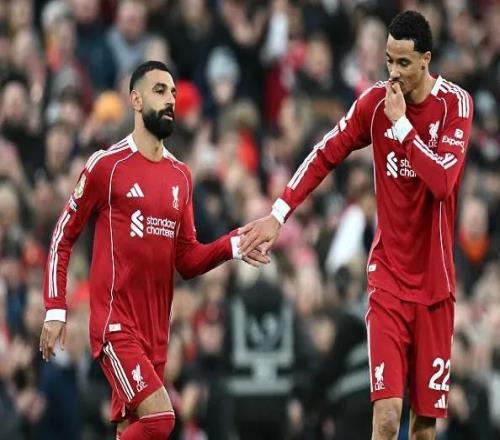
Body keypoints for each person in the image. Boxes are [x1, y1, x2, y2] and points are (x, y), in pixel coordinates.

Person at [239, 10, 473, 440]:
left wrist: (402, 126)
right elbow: (325, 152)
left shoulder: (455, 104)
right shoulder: (375, 104)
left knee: (424, 428)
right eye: (388, 61)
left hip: (435, 287)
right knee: (386, 417)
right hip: (388, 282)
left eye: (403, 63)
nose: (393, 73)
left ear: (426, 60)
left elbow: (441, 182)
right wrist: (278, 213)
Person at [39, 60, 269, 440]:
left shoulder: (181, 176)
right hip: (115, 325)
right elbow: (63, 235)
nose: (170, 101)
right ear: (135, 99)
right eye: (160, 91)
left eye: (173, 93)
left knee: (135, 430)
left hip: (156, 332)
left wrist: (233, 245)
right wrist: (55, 308)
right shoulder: (107, 166)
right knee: (162, 419)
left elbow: (187, 260)